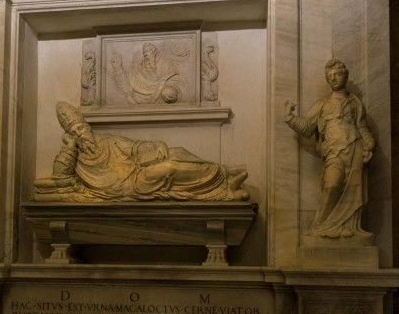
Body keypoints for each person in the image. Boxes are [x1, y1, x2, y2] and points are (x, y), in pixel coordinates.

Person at [34, 102, 249, 202]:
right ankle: (224, 186)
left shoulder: (108, 141)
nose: (80, 134)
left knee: (176, 151)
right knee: (170, 168)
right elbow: (60, 176)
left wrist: (152, 147)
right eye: (74, 132)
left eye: (80, 128)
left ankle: (224, 172)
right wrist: (69, 146)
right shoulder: (76, 157)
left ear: (87, 126)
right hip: (128, 185)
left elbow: (134, 147)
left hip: (137, 171)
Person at [284, 59, 375, 239]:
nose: (333, 78)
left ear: (345, 76)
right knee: (332, 185)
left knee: (352, 190)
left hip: (355, 147)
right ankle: (321, 226)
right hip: (334, 151)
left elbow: (362, 127)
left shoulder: (355, 102)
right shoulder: (322, 104)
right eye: (330, 76)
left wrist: (369, 145)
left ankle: (347, 227)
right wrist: (289, 117)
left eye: (337, 74)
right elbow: (307, 128)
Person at [110, 42, 185, 105]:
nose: (146, 53)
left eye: (148, 50)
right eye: (144, 52)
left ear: (154, 52)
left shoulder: (165, 64)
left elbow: (175, 80)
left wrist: (169, 91)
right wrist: (118, 68)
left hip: (163, 92)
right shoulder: (137, 71)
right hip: (140, 97)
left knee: (167, 91)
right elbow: (126, 87)